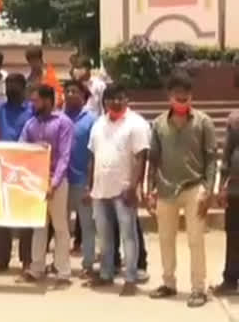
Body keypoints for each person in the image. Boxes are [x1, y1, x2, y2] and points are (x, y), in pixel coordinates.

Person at [147, 73, 217, 308]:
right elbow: (153, 158)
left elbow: (211, 159)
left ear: (191, 97)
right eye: (177, 98)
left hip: (194, 187)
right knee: (166, 239)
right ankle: (169, 283)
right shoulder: (158, 124)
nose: (181, 102)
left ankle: (198, 288)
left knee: (196, 240)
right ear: (169, 97)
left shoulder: (203, 122)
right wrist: (150, 189)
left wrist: (208, 189)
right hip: (165, 188)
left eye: (185, 98)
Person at [86, 84, 149, 296]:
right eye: (111, 98)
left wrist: (134, 187)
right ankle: (106, 273)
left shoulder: (136, 124)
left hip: (123, 190)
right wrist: (90, 186)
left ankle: (130, 278)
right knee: (104, 236)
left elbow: (141, 158)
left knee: (128, 235)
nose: (116, 102)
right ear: (104, 102)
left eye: (120, 98)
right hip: (100, 189)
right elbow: (93, 157)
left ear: (127, 99)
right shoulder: (98, 124)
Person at [20, 85, 73, 286]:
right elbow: (21, 149)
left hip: (57, 182)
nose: (33, 104)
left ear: (48, 101)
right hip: (35, 182)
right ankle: (37, 268)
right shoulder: (30, 124)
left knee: (60, 227)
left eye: (36, 101)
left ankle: (63, 271)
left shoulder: (63, 123)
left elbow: (64, 156)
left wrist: (54, 183)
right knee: (39, 226)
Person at [0, 73, 34, 273]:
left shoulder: (33, 109)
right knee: (2, 215)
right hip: (1, 166)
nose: (11, 88)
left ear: (24, 88)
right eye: (8, 84)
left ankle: (27, 260)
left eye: (15, 85)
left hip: (27, 168)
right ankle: (1, 259)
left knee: (25, 217)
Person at [63, 80, 97, 278]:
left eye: (74, 91)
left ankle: (89, 264)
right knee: (62, 226)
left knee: (87, 225)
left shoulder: (91, 119)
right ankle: (62, 264)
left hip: (82, 180)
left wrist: (90, 184)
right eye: (67, 91)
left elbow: (95, 153)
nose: (69, 94)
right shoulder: (58, 117)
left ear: (83, 96)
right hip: (61, 181)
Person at [215, 109, 239, 296]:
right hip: (236, 189)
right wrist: (222, 186)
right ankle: (230, 279)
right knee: (233, 235)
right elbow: (226, 156)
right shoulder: (235, 120)